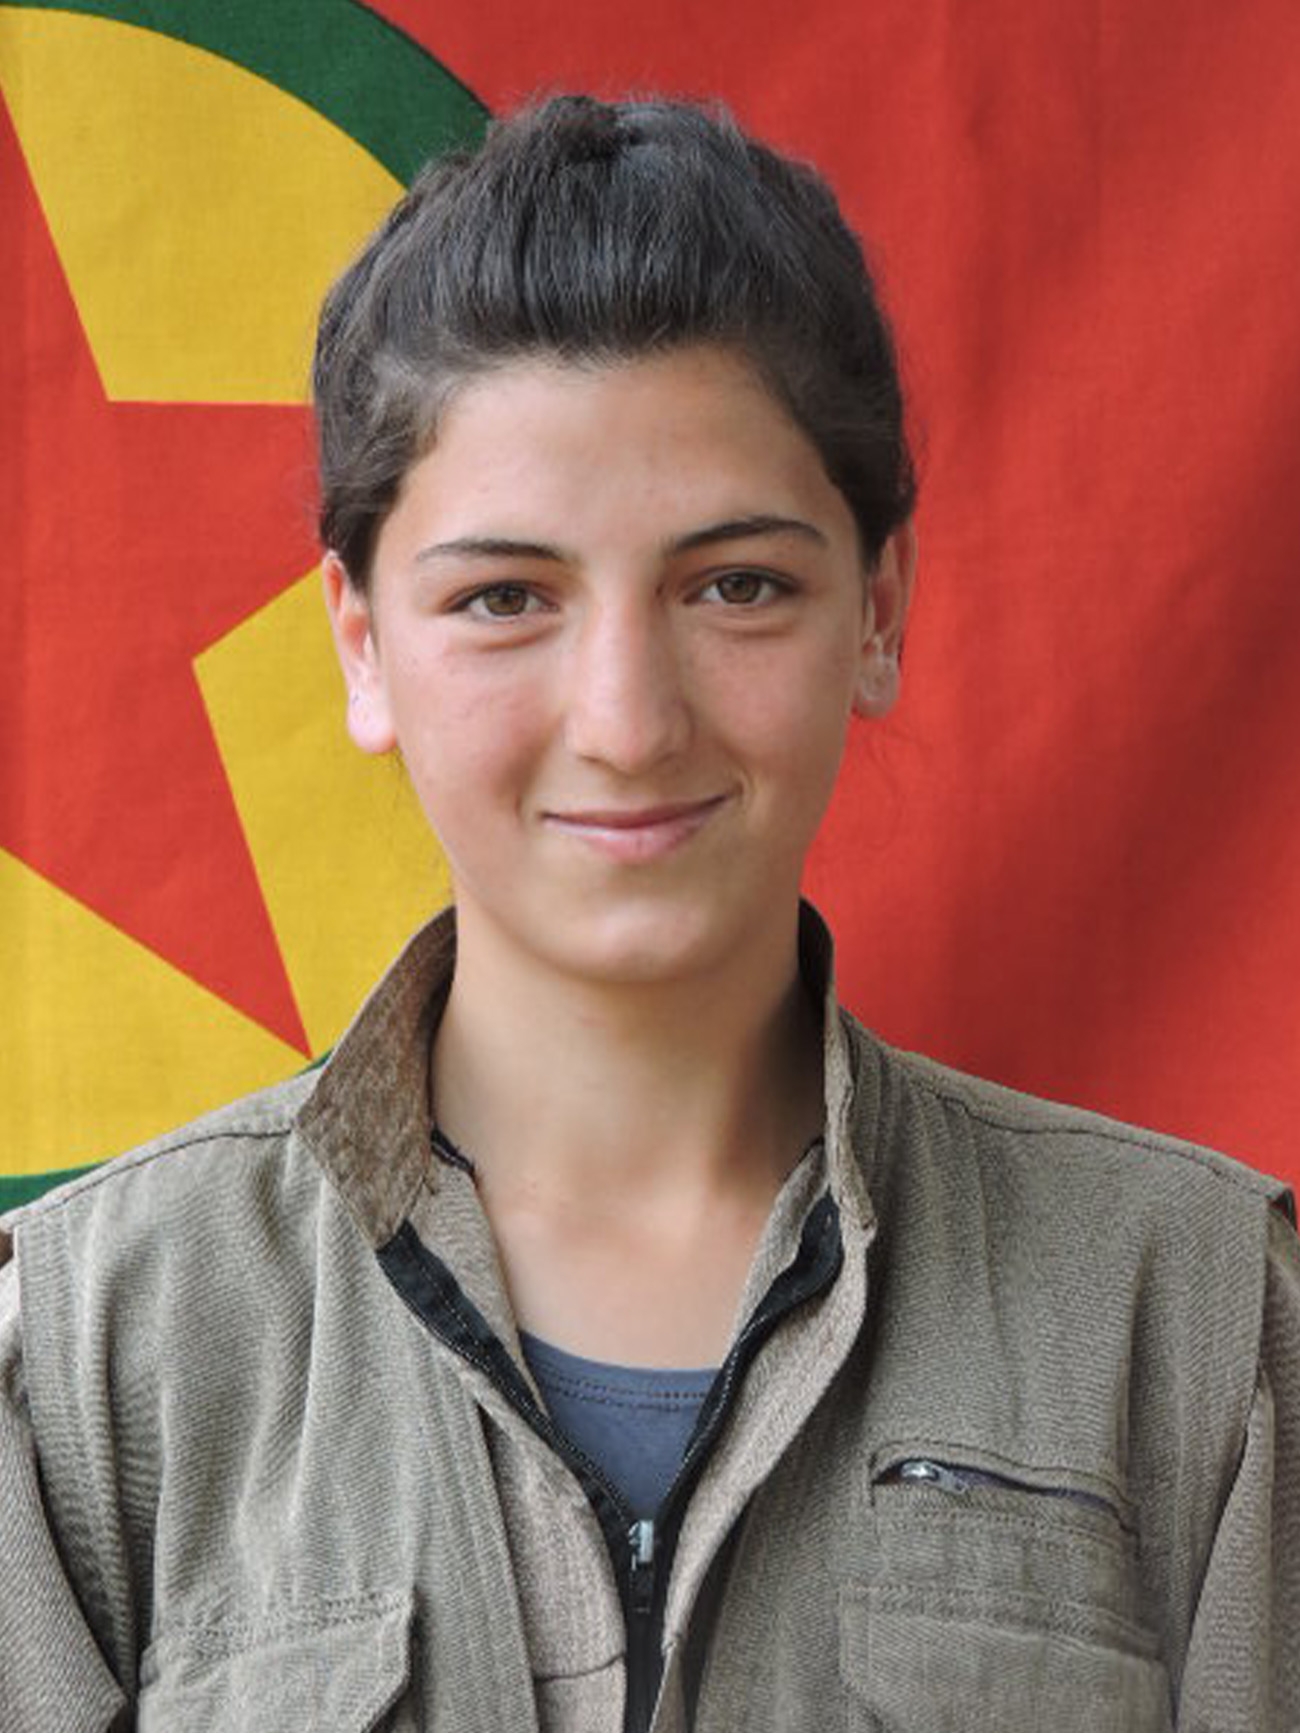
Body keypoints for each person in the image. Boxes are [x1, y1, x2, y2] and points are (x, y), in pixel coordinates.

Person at [1, 94, 1297, 1733]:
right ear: (360, 645)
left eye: (736, 584)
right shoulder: (91, 1355)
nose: (627, 720)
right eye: (504, 598)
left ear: (878, 607)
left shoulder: (1194, 1321)